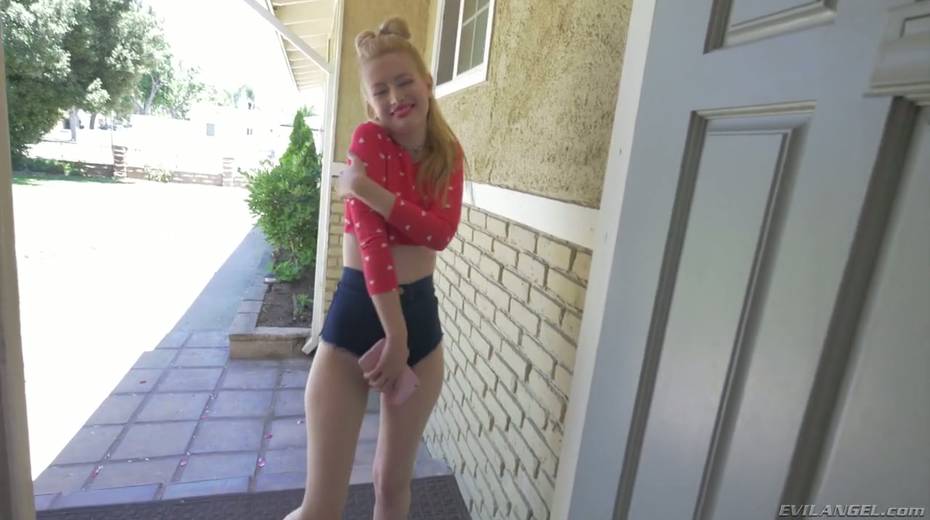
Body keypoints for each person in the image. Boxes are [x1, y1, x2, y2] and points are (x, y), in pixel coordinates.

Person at [284, 16, 465, 520]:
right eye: (380, 90)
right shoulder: (367, 140)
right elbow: (372, 247)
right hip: (358, 317)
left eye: (404, 82)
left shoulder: (448, 154)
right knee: (320, 506)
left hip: (420, 327)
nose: (395, 96)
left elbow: (439, 234)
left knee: (392, 485)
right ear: (369, 103)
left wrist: (367, 190)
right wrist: (394, 334)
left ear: (427, 83)